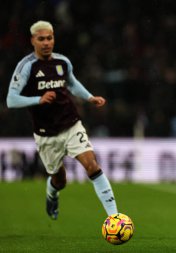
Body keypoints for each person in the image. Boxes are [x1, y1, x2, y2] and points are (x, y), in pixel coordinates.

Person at [6, 21, 118, 220]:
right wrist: (38, 99)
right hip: (46, 133)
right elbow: (11, 99)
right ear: (33, 41)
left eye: (50, 38)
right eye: (41, 39)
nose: (46, 43)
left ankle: (114, 218)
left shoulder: (62, 62)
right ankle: (52, 193)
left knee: (92, 164)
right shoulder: (26, 66)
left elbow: (73, 84)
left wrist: (90, 97)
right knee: (60, 180)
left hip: (71, 124)